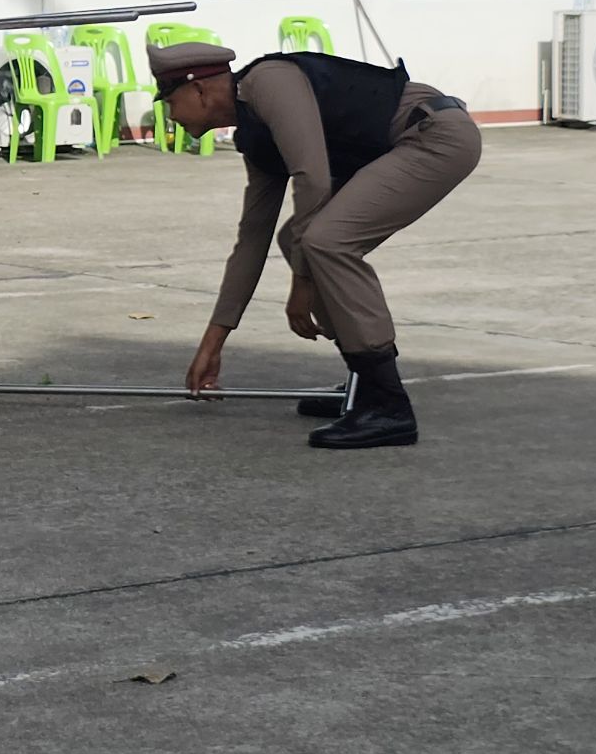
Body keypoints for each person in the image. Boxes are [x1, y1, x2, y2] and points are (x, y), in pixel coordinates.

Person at [149, 40, 482, 451]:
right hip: (405, 143)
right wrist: (212, 345)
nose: (171, 115)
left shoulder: (268, 83)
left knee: (326, 240)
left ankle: (388, 406)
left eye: (170, 102)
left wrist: (301, 285)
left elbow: (313, 179)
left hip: (434, 135)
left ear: (199, 90)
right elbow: (251, 240)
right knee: (299, 240)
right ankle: (365, 386)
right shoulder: (255, 136)